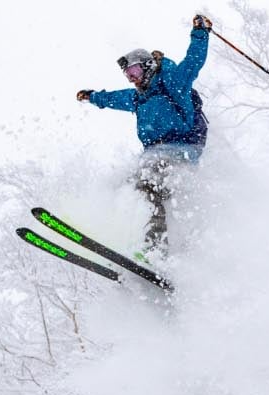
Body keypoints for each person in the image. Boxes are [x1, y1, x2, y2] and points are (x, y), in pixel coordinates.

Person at [76, 14, 212, 255]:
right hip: (156, 153)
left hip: (182, 147)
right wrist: (93, 96)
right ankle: (137, 244)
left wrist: (200, 33)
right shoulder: (138, 97)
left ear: (148, 66)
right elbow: (114, 98)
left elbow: (193, 61)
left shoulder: (172, 81)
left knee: (150, 176)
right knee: (127, 184)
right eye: (128, 74)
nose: (132, 78)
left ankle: (156, 249)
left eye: (135, 71)